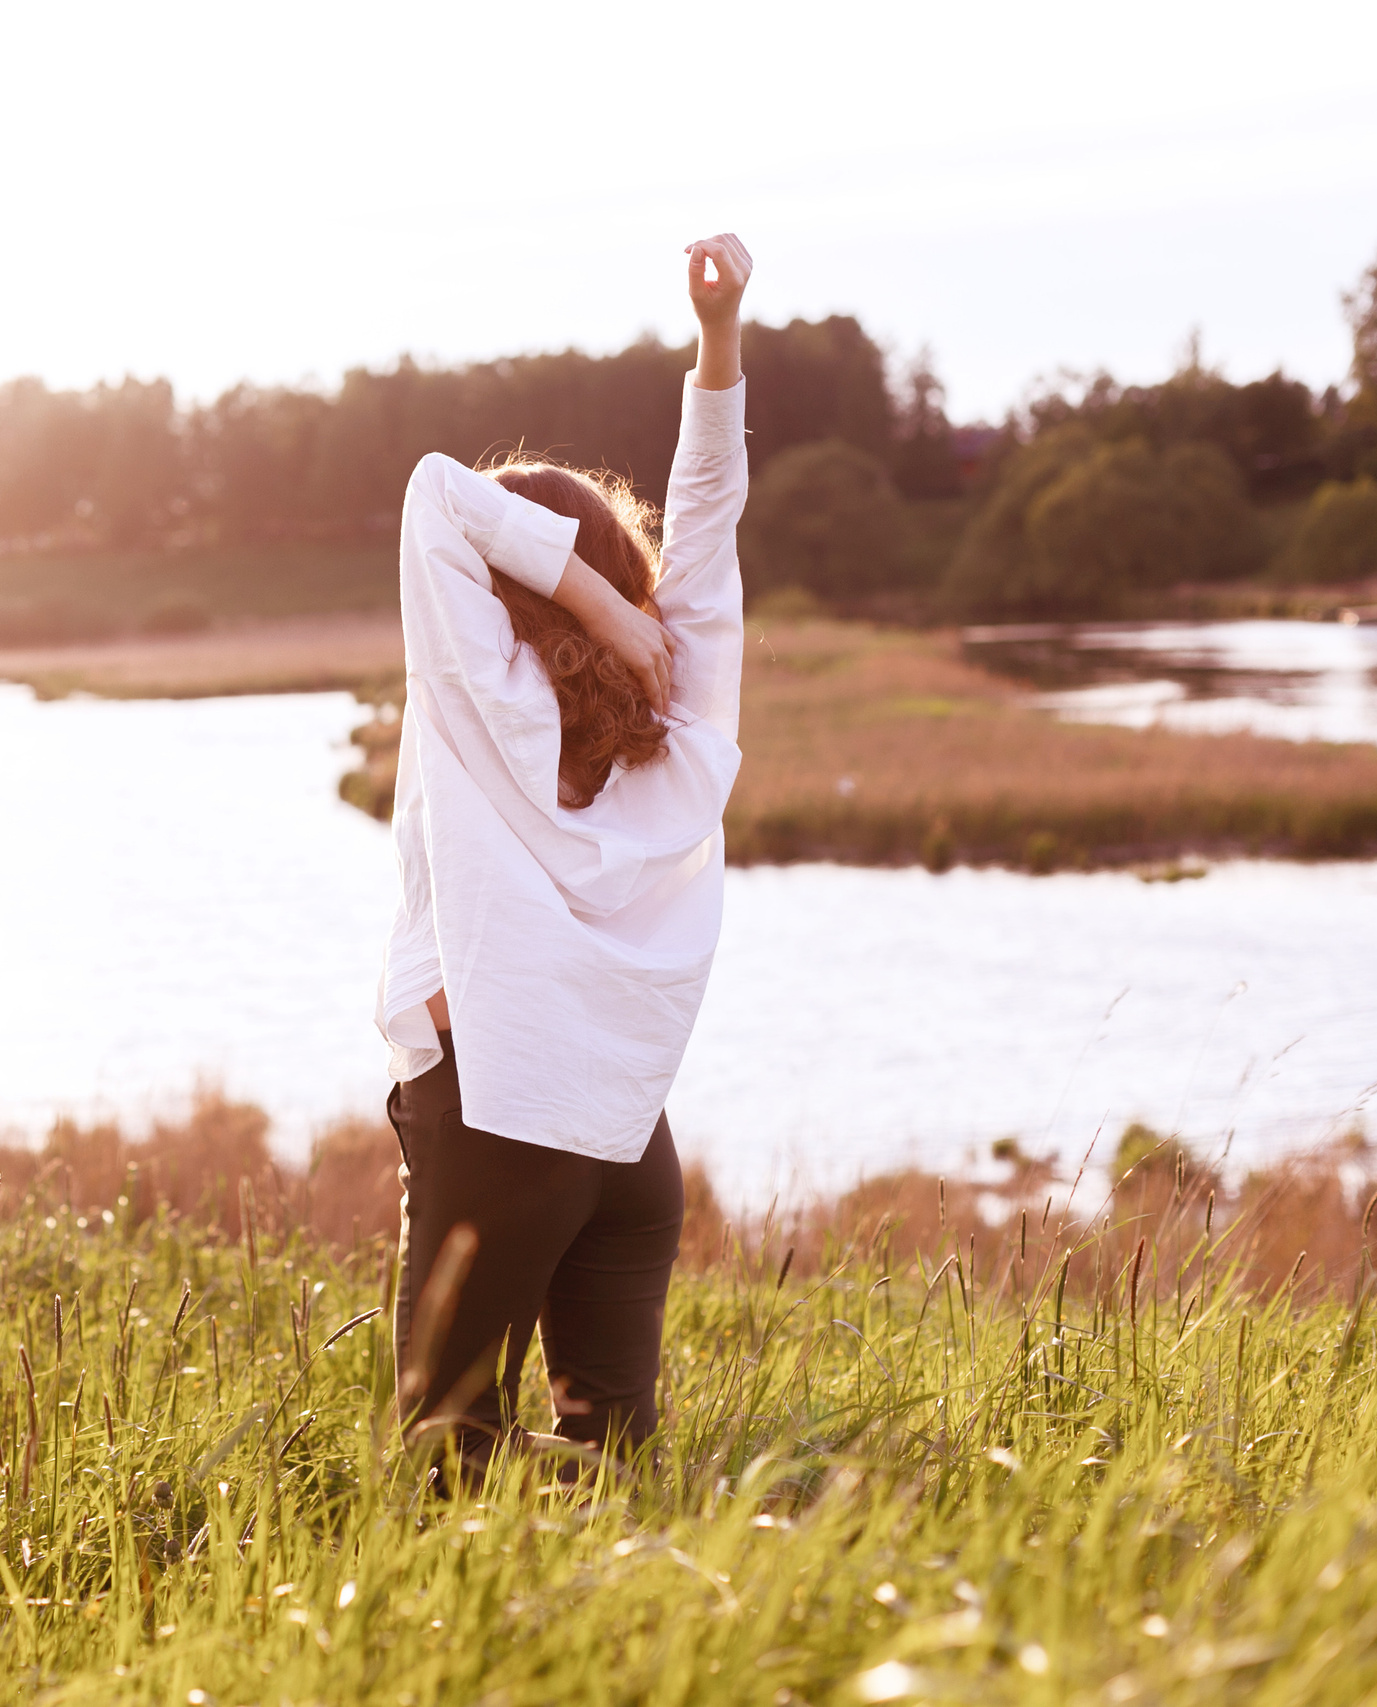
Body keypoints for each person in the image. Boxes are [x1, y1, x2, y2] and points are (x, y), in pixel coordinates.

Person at [377, 233, 753, 1476]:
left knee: (441, 1458)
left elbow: (437, 493)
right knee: (619, 1468)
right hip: (631, 1150)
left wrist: (582, 598)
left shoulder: (479, 696)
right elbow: (708, 525)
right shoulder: (680, 717)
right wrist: (717, 342)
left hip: (496, 1119)